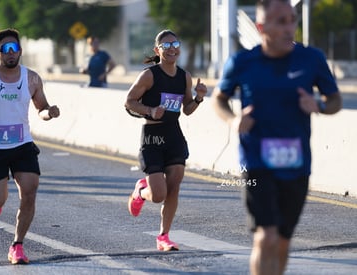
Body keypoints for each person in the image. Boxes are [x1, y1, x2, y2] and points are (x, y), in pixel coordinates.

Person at [212, 1, 342, 274]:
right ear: (261, 28)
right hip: (256, 161)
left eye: (292, 20)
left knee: (282, 241)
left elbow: (335, 101)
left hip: (296, 164)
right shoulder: (242, 62)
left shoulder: (311, 59)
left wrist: (318, 105)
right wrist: (234, 120)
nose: (289, 28)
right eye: (280, 21)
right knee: (265, 236)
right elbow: (219, 100)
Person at [0, 28, 60, 265]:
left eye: (15, 49)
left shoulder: (32, 78)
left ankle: (17, 245)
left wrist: (50, 113)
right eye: (6, 49)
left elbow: (42, 108)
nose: (11, 53)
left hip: (22, 143)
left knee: (29, 191)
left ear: (20, 52)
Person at [124, 29, 207, 251]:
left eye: (175, 44)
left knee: (174, 186)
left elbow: (187, 109)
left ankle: (164, 236)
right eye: (166, 45)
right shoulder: (149, 75)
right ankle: (141, 191)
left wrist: (198, 98)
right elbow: (129, 101)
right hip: (153, 137)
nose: (172, 49)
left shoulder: (184, 76)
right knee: (158, 195)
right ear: (157, 50)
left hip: (174, 135)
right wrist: (150, 110)